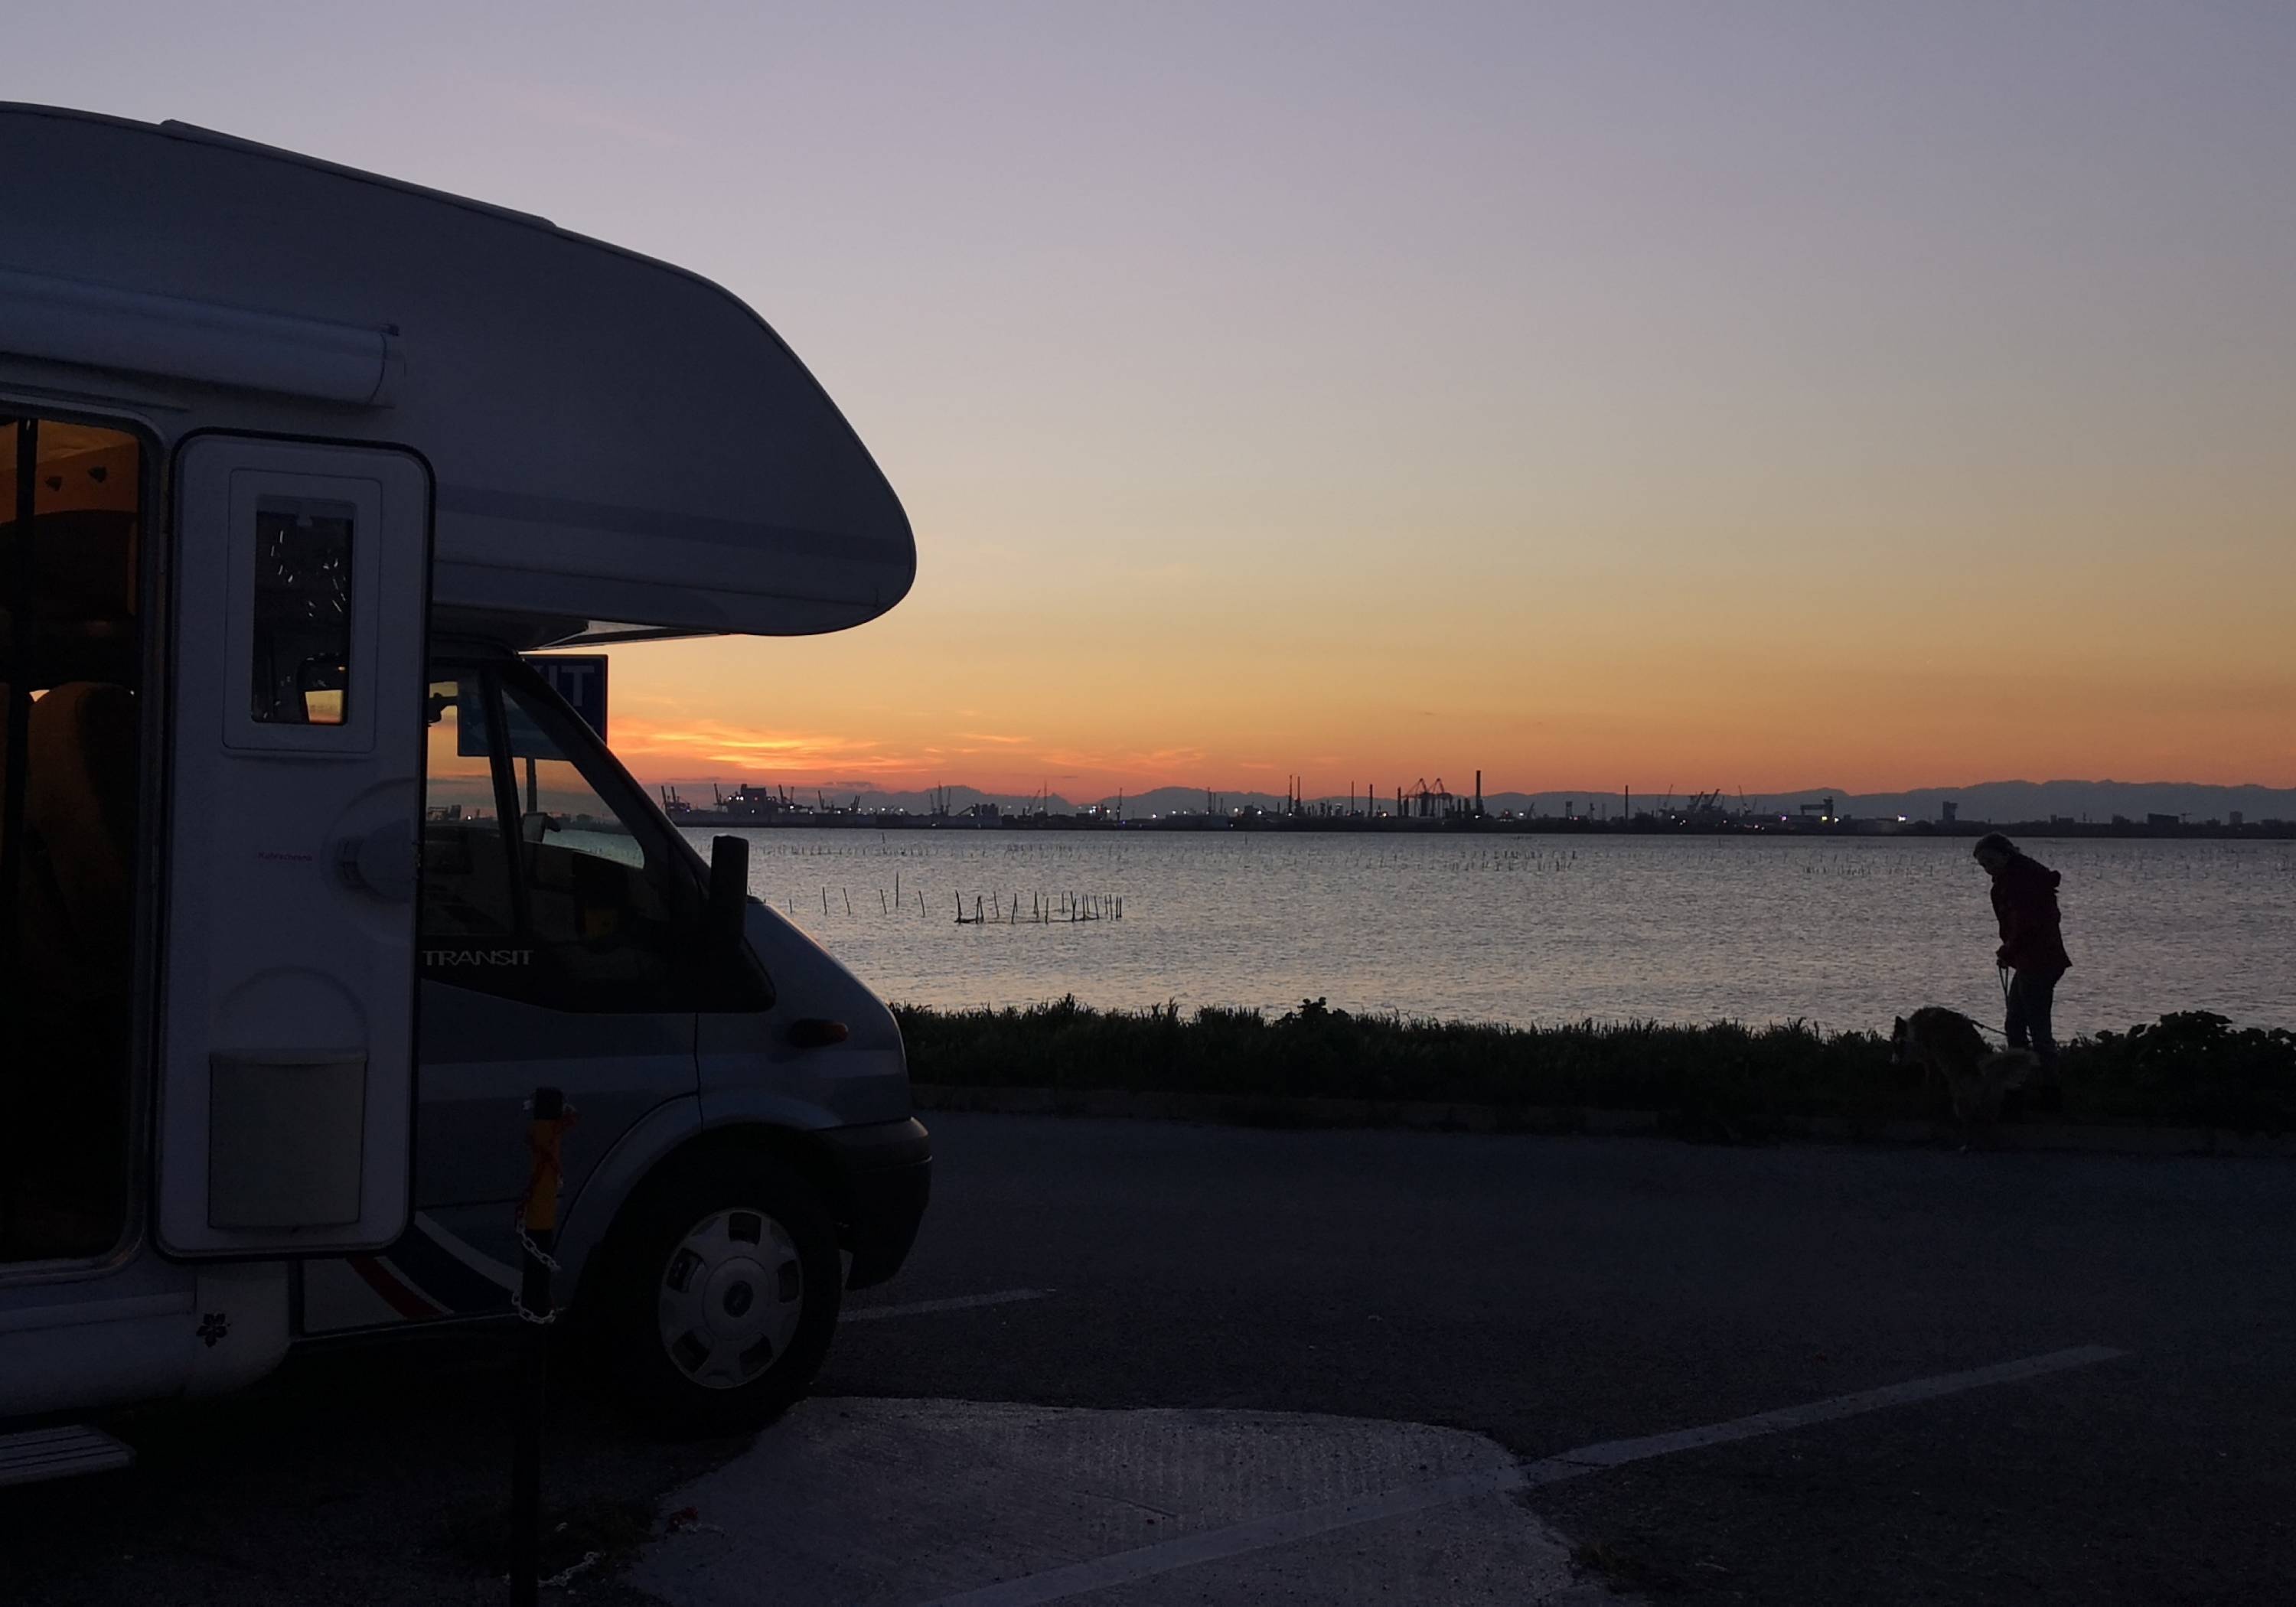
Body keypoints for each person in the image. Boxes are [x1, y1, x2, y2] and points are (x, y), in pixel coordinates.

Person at [1971, 832, 2069, 1110]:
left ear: (2006, 855)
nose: (1988, 868)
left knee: (2036, 1029)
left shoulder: (2021, 882)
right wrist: (2011, 952)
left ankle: (2046, 1092)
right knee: (2016, 1024)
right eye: (1983, 864)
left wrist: (2007, 951)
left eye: (1990, 861)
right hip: (2034, 960)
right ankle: (2022, 1084)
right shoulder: (2022, 877)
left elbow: (2026, 925)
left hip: (2038, 962)